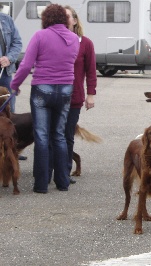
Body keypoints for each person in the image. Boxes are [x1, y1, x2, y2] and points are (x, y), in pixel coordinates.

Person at [10, 4, 79, 193]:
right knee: (59, 135)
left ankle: (41, 185)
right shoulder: (74, 39)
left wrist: (15, 85)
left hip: (42, 88)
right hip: (65, 89)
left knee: (41, 136)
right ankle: (63, 182)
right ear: (64, 20)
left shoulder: (40, 36)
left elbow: (25, 65)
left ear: (46, 19)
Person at [64, 5, 97, 184]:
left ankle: (64, 172)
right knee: (53, 135)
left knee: (68, 135)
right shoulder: (55, 40)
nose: (64, 20)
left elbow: (91, 71)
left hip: (75, 97)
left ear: (75, 21)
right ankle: (50, 170)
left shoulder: (85, 43)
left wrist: (90, 94)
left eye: (67, 17)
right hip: (54, 97)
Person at [0, 4, 22, 114]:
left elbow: (17, 42)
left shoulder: (6, 20)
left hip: (5, 74)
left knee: (9, 111)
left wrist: (9, 58)